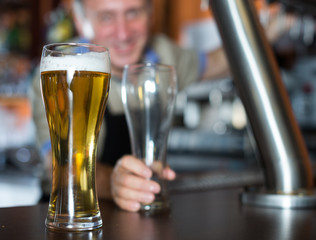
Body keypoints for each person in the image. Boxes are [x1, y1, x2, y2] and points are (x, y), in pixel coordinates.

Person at [32, 0, 293, 212]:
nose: (123, 33)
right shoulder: (61, 73)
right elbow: (60, 166)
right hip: (67, 215)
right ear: (81, 20)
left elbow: (218, 62)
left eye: (133, 12)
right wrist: (114, 183)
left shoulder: (161, 56)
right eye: (107, 17)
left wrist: (275, 26)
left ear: (150, 13)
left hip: (140, 214)